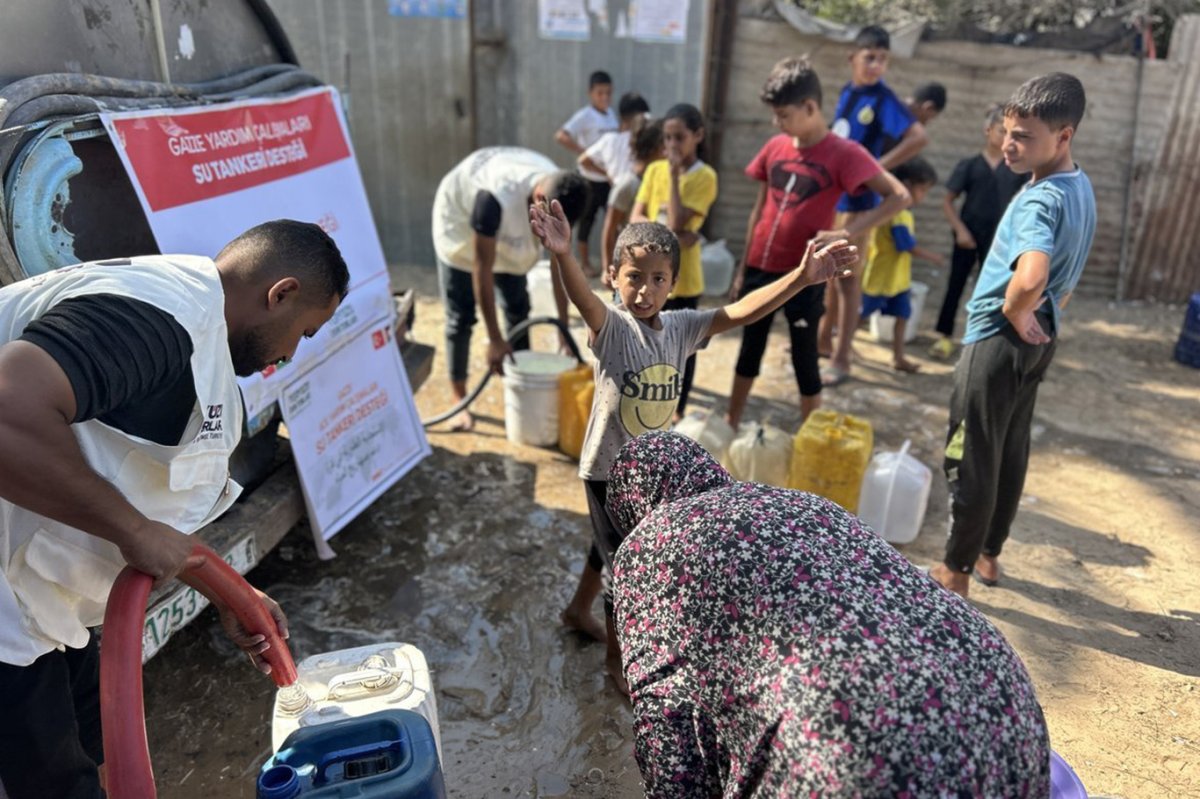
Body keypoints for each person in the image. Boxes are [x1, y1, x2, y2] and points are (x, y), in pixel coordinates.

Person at [0, 220, 349, 799]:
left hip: (45, 594)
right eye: (305, 333)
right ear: (280, 293)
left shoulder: (202, 350)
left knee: (101, 742)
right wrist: (130, 529)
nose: (289, 356)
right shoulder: (157, 320)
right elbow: (9, 412)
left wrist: (230, 593)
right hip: (8, 602)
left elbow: (157, 518)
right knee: (53, 780)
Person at [605, 432, 1051, 797]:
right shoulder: (803, 501)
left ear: (632, 507)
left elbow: (670, 738)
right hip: (1007, 711)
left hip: (867, 768)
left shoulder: (647, 549)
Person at [529, 201, 857, 692]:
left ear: (673, 284)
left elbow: (742, 310)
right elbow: (584, 300)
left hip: (650, 471)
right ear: (614, 276)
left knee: (615, 546)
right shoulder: (613, 328)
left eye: (658, 279)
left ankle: (577, 609)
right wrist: (562, 257)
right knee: (627, 566)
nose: (645, 290)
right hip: (606, 470)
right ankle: (618, 667)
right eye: (634, 277)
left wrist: (801, 279)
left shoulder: (680, 328)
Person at [930, 73, 1096, 597]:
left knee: (971, 449)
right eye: (1007, 130)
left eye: (1023, 135)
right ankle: (988, 555)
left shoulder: (1038, 200)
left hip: (1000, 336)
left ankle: (954, 573)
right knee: (1009, 446)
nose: (1008, 143)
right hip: (1040, 336)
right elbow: (1065, 275)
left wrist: (1016, 306)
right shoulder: (1080, 186)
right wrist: (1041, 310)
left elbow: (1032, 274)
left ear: (1063, 136)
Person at [725, 56, 910, 429]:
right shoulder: (775, 146)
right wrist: (743, 268)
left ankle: (810, 437)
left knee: (805, 360)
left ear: (810, 107)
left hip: (805, 275)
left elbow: (899, 196)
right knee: (749, 349)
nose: (778, 123)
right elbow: (759, 209)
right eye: (775, 116)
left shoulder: (845, 153)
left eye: (784, 114)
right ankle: (731, 423)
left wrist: (847, 232)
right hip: (761, 267)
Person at [431, 146, 590, 431]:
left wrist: (563, 330)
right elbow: (482, 267)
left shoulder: (558, 193)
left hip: (511, 227)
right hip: (459, 225)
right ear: (540, 199)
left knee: (519, 309)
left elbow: (559, 262)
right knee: (461, 317)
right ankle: (459, 399)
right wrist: (493, 339)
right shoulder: (493, 199)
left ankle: (521, 385)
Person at [820, 25, 931, 387]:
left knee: (848, 282)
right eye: (870, 57)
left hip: (862, 201)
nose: (876, 65)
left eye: (882, 59)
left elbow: (918, 137)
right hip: (837, 198)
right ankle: (824, 341)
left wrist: (877, 168)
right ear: (853, 58)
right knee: (831, 279)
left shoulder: (883, 99)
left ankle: (841, 359)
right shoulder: (847, 94)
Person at [630, 103, 719, 419]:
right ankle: (645, 403)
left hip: (683, 280)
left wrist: (673, 175)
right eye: (667, 138)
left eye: (678, 138)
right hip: (649, 277)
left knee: (682, 347)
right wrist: (671, 238)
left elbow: (681, 220)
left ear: (697, 136)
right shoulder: (653, 170)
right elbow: (636, 217)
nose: (671, 146)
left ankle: (676, 411)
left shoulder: (704, 177)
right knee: (644, 340)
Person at [929, 103, 1030, 360]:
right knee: (956, 285)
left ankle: (985, 339)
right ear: (987, 131)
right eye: (1001, 131)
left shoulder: (1017, 170)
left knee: (995, 291)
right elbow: (947, 201)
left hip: (1000, 242)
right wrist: (960, 230)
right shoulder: (969, 166)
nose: (1006, 138)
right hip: (968, 237)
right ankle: (944, 336)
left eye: (1011, 133)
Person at [861, 157, 945, 373]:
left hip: (898, 278)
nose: (923, 196)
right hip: (881, 275)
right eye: (922, 190)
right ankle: (841, 345)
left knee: (902, 315)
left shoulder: (901, 212)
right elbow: (905, 245)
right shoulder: (896, 213)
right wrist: (932, 257)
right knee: (860, 313)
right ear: (907, 186)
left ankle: (898, 357)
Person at [555, 70, 619, 276]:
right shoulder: (584, 115)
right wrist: (585, 153)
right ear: (591, 93)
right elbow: (561, 136)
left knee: (613, 221)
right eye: (600, 93)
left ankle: (613, 264)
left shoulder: (611, 115)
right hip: (589, 178)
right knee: (586, 221)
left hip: (608, 178)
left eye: (608, 93)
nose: (605, 97)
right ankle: (584, 263)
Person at [599, 120, 664, 286]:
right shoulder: (628, 185)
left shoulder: (659, 179)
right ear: (655, 148)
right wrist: (607, 268)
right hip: (630, 263)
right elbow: (610, 228)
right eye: (666, 144)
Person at [578, 91, 651, 190]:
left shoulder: (609, 140)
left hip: (615, 192)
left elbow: (583, 160)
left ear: (621, 117)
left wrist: (607, 174)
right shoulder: (646, 139)